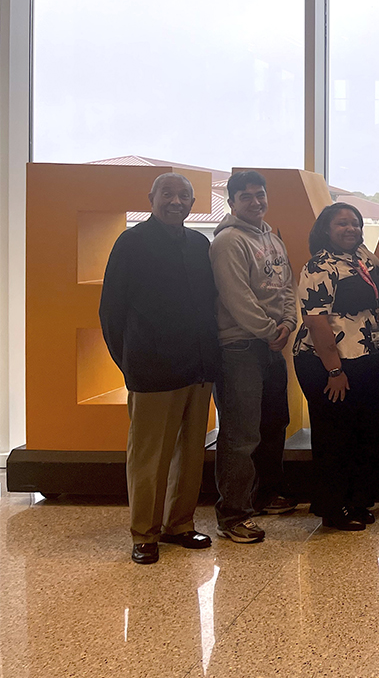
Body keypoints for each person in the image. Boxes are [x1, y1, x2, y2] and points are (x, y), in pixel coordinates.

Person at [99, 172, 220, 565]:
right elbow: (111, 312)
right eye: (167, 194)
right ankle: (144, 533)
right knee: (149, 457)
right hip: (152, 369)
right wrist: (128, 362)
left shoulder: (199, 244)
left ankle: (179, 525)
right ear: (151, 198)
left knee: (189, 454)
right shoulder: (131, 243)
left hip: (198, 366)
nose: (176, 201)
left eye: (183, 195)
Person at [210, 170, 297, 545]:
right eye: (246, 197)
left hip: (272, 344)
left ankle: (263, 495)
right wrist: (268, 330)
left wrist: (289, 323)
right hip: (241, 347)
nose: (256, 202)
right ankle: (233, 513)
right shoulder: (228, 242)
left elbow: (288, 286)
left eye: (260, 195)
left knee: (275, 423)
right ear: (232, 202)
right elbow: (236, 297)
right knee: (240, 433)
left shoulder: (272, 239)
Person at [293, 202, 379, 532]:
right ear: (325, 230)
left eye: (355, 224)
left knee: (367, 433)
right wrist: (334, 371)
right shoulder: (318, 266)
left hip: (367, 357)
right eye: (342, 224)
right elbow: (317, 322)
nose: (350, 229)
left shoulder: (361, 257)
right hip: (330, 363)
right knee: (336, 438)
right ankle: (332, 507)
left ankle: (358, 500)